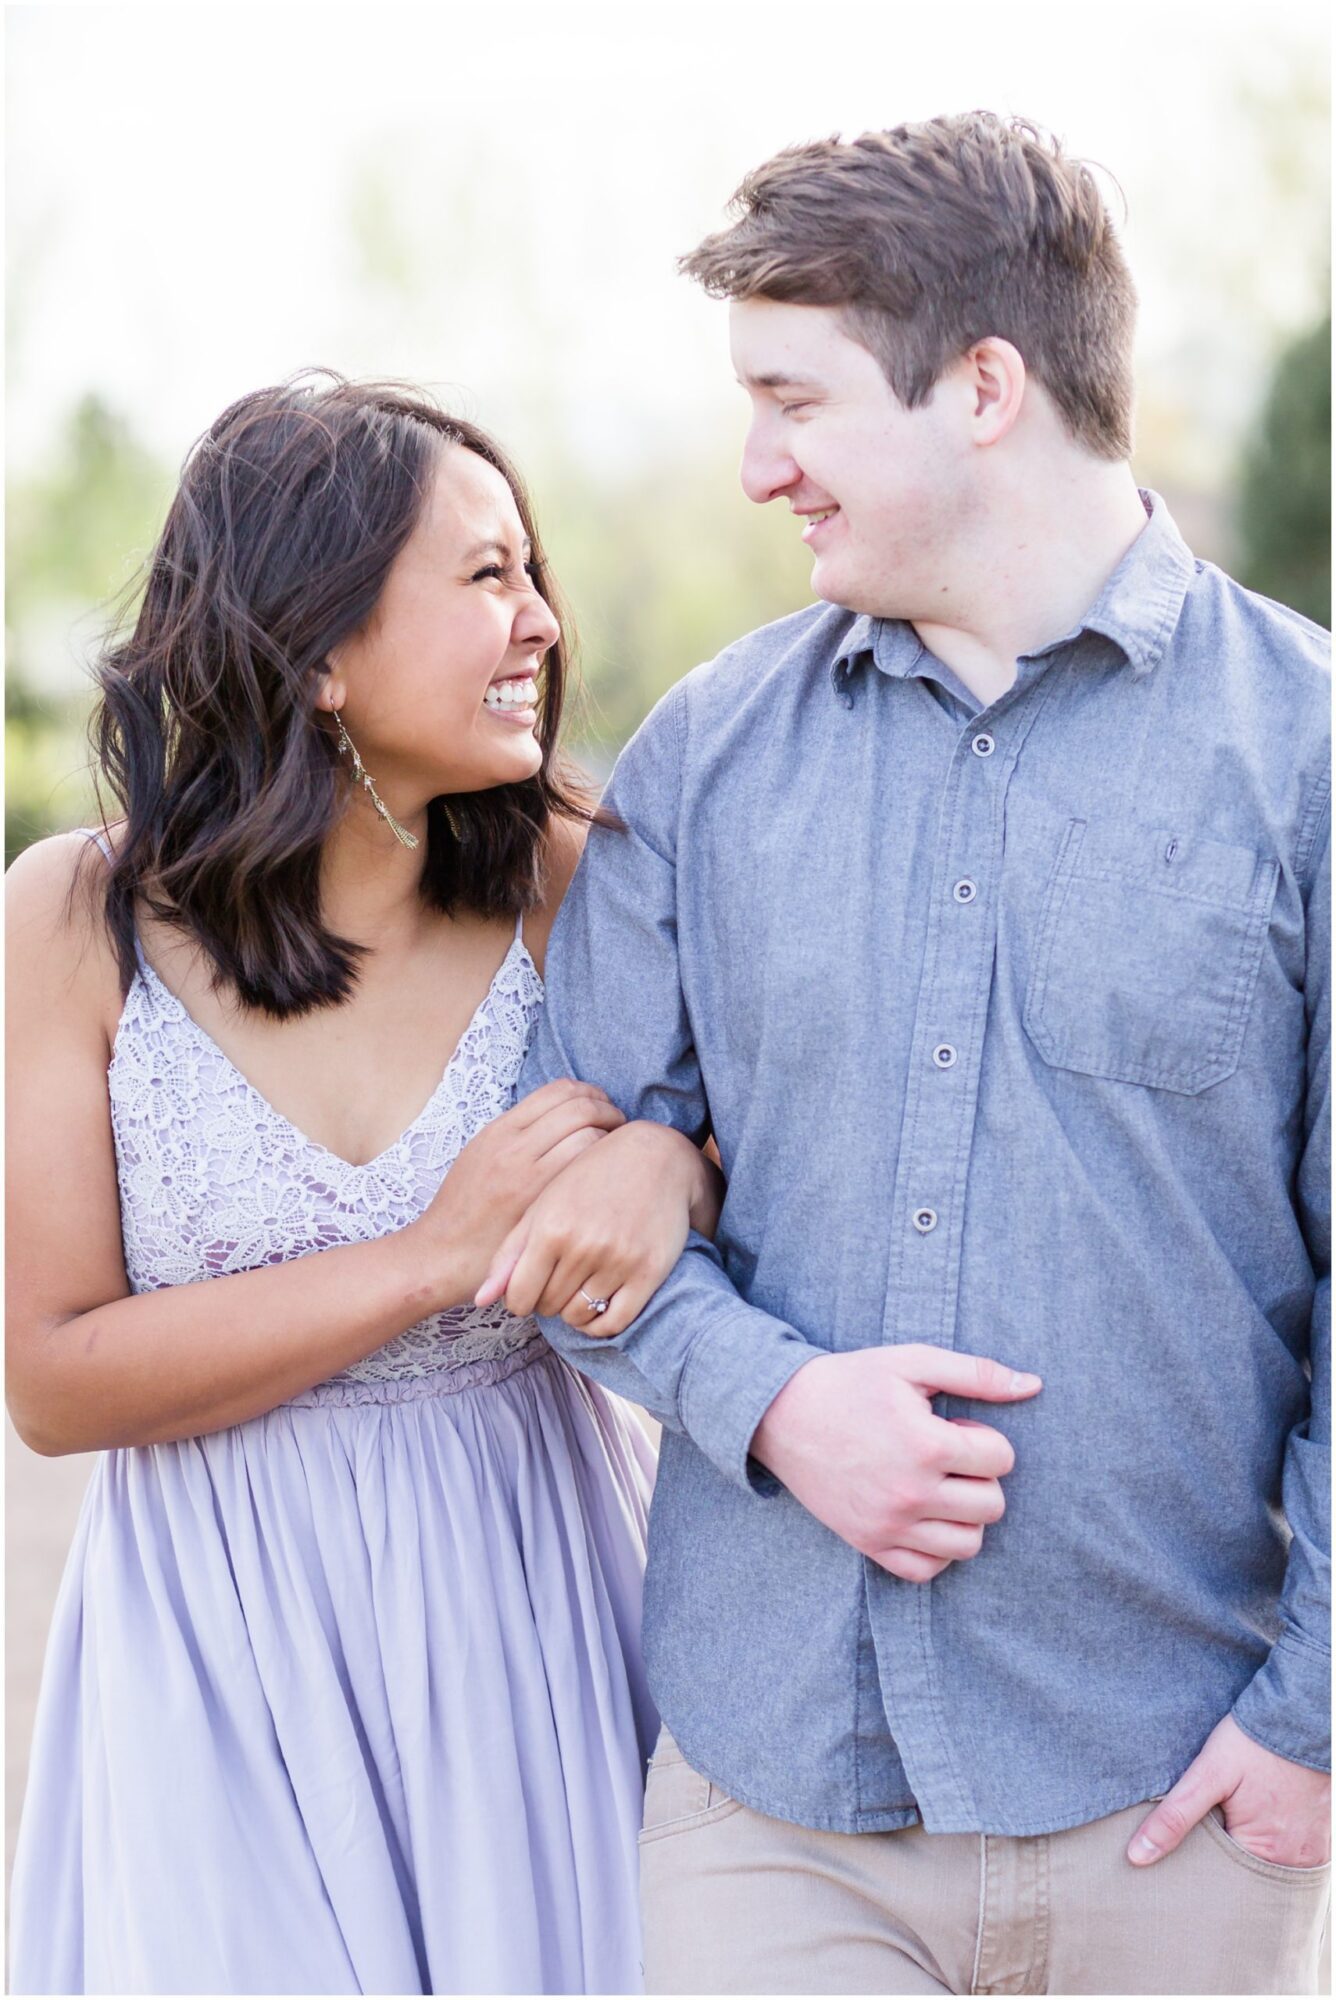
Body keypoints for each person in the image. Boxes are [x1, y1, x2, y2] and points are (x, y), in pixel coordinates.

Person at [498, 114, 1331, 1994]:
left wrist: (1312, 1727)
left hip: (1177, 1811)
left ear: (981, 386)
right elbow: (559, 1205)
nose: (755, 466)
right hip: (773, 1808)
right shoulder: (706, 760)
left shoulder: (1308, 764)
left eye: (794, 399)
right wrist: (775, 1406)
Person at [5, 376, 720, 1996]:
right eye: (485, 577)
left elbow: (744, 1163)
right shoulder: (73, 918)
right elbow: (52, 1376)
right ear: (318, 649)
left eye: (533, 572)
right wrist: (430, 1255)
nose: (540, 620)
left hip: (522, 1613)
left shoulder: (574, 881)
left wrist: (671, 1156)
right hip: (216, 1638)